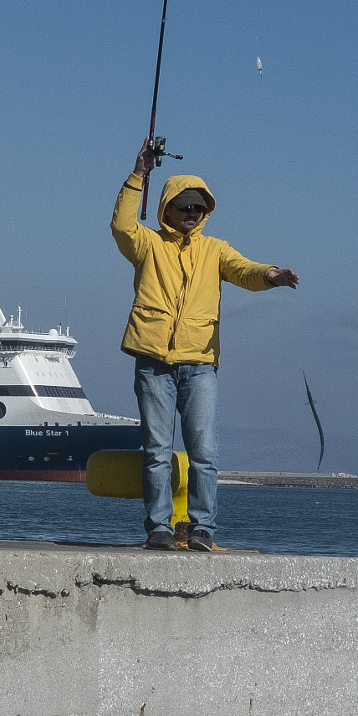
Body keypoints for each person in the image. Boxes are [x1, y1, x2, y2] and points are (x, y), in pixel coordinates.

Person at [111, 140, 298, 550]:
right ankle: (158, 528)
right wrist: (138, 172)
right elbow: (122, 226)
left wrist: (269, 274)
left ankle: (203, 529)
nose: (192, 214)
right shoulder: (147, 244)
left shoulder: (216, 250)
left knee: (204, 453)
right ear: (167, 209)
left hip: (200, 364)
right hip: (153, 362)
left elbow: (243, 269)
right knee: (157, 451)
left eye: (198, 207)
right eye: (185, 207)